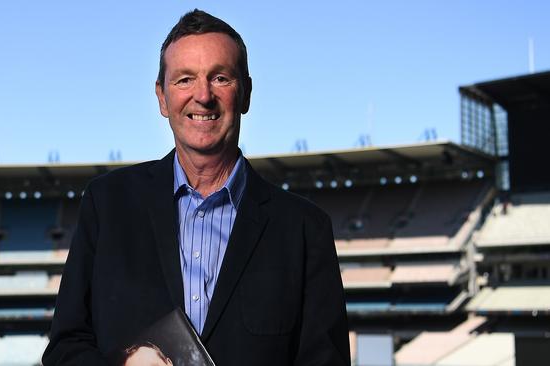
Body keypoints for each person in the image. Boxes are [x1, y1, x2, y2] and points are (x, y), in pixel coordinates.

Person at [43, 9, 349, 366]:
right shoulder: (108, 205)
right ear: (162, 98)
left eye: (220, 78)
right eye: (184, 80)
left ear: (246, 93)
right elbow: (65, 348)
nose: (202, 96)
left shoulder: (303, 229)